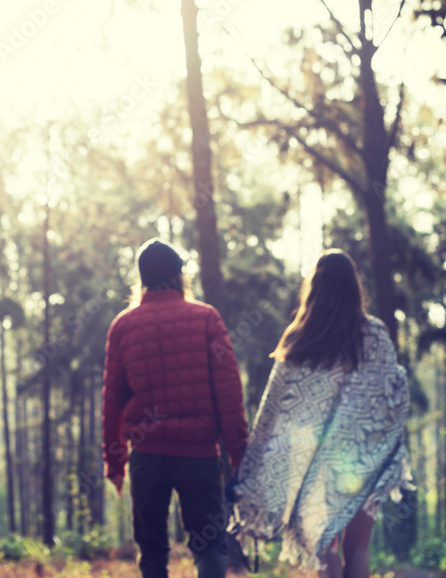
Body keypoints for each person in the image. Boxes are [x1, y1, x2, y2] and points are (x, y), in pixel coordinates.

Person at [230, 249, 412, 578]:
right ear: (353, 287)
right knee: (357, 549)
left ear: (314, 288)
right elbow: (393, 395)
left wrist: (253, 466)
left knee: (324, 549)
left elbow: (273, 411)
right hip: (365, 462)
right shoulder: (374, 334)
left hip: (316, 470)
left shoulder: (300, 339)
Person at [103, 238, 249, 578]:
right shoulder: (206, 318)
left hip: (147, 456)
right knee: (210, 545)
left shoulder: (124, 326)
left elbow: (112, 401)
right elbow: (229, 393)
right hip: (198, 456)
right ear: (179, 276)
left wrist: (115, 460)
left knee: (152, 552)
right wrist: (238, 451)